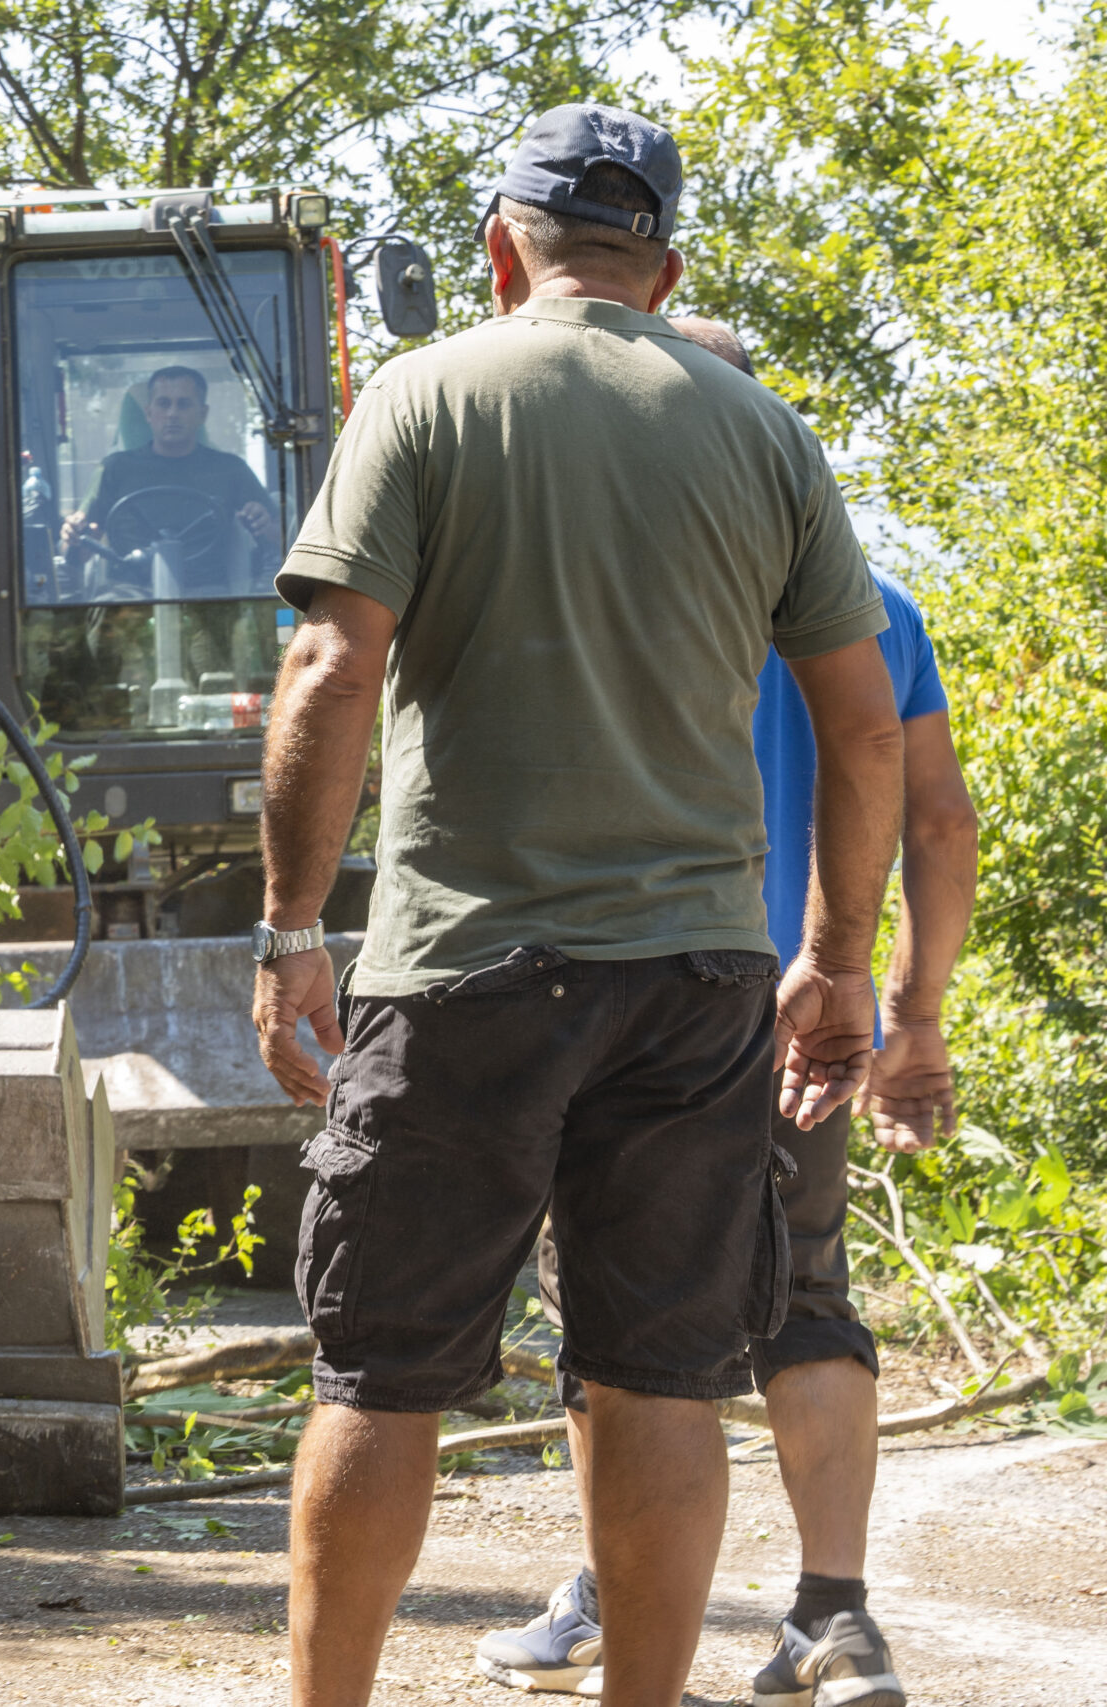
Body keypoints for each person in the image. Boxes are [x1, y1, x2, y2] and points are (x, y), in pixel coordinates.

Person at [246, 102, 907, 1707]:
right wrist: (837, 962)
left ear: (502, 250)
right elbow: (865, 725)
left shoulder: (424, 395)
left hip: (464, 965)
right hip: (697, 979)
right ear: (663, 269)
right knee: (662, 1369)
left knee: (382, 1368)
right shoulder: (762, 431)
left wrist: (291, 927)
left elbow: (331, 664)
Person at [474, 317, 978, 1707]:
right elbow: (938, 821)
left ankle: (609, 1600)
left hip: (631, 1002)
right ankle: (835, 1616)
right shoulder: (873, 604)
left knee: (615, 1313)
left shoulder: (600, 589)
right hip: (811, 1011)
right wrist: (913, 1014)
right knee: (805, 1291)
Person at [59, 364, 278, 572]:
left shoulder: (231, 469)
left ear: (202, 414)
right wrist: (74, 536)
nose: (172, 413)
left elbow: (282, 541)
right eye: (163, 404)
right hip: (127, 592)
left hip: (212, 592)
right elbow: (75, 554)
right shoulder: (114, 469)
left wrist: (263, 525)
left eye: (183, 404)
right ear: (148, 413)